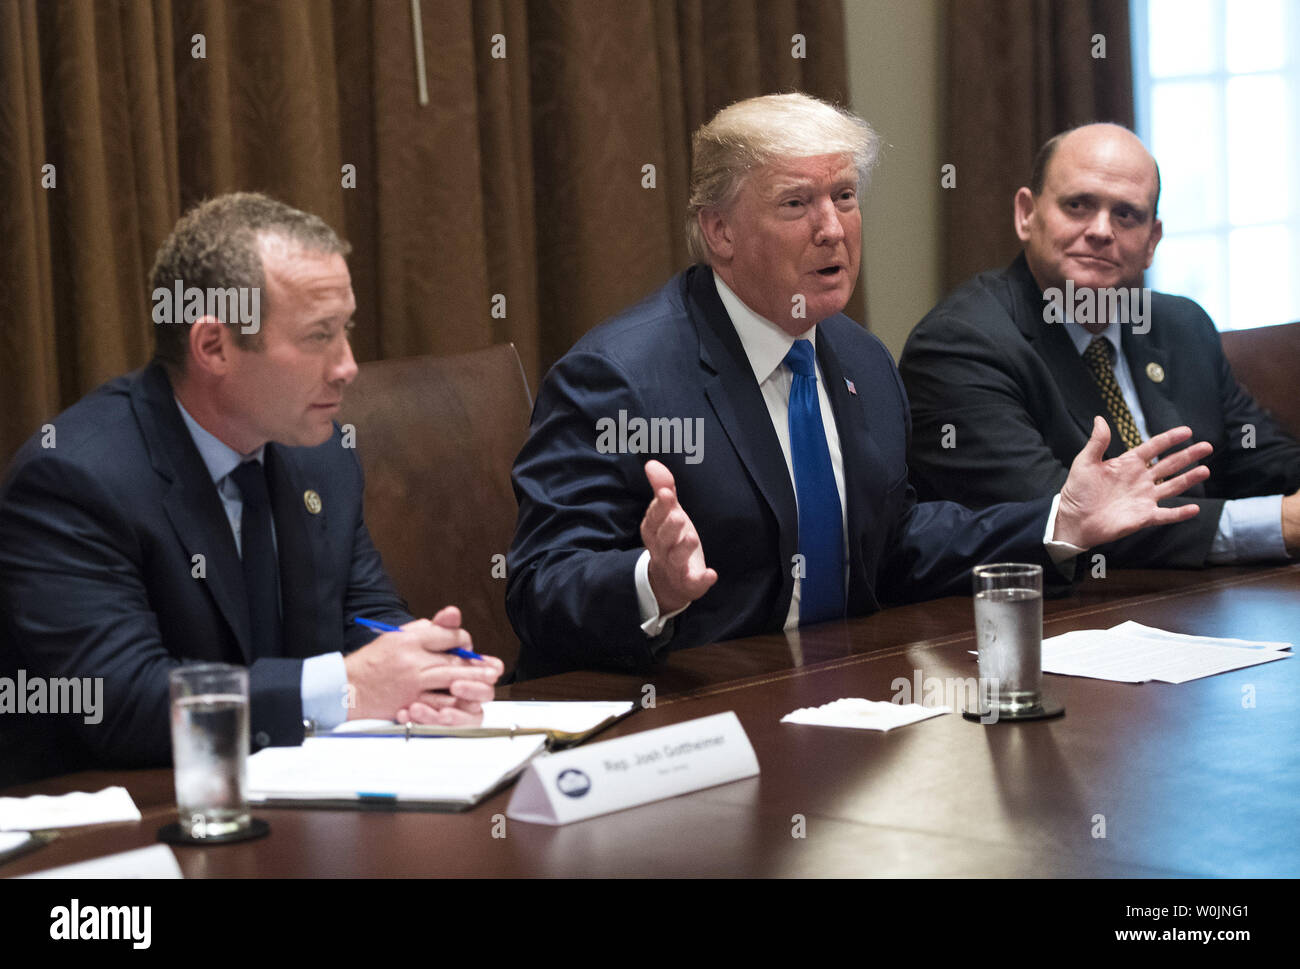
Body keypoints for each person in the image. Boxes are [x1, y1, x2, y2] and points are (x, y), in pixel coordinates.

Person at [505, 94, 1211, 681]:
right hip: (685, 709)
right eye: (796, 204)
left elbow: (895, 543)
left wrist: (1059, 521)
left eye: (845, 197)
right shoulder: (620, 376)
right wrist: (650, 585)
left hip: (838, 700)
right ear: (718, 231)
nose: (832, 229)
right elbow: (539, 585)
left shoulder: (861, 360)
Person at [0, 193, 502, 784]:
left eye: (346, 330)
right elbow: (119, 700)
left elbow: (364, 618)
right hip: (133, 825)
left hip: (301, 805)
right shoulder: (75, 478)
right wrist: (349, 686)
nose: (347, 366)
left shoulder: (320, 457)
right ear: (213, 346)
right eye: (319, 336)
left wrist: (426, 667)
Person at [899, 123, 1300, 568]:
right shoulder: (959, 346)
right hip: (1059, 618)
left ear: (1152, 242)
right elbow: (1071, 521)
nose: (1101, 230)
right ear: (1026, 214)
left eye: (1126, 214)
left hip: (1202, 608)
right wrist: (1279, 523)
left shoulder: (1181, 325)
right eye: (1078, 206)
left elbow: (1264, 460)